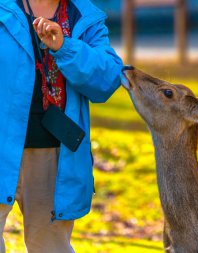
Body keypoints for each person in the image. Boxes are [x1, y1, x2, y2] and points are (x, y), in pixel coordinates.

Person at [0, 0, 123, 252]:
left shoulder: (84, 16)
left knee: (49, 247)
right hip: (2, 148)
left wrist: (65, 47)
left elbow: (107, 79)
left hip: (54, 155)